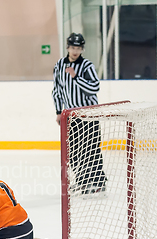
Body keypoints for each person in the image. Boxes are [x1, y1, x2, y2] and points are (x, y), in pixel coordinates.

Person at [52, 33, 107, 195]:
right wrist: (58, 111)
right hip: (71, 116)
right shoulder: (59, 65)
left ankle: (97, 182)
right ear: (67, 48)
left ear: (82, 49)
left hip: (89, 114)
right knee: (74, 150)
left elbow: (94, 87)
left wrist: (76, 78)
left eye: (78, 48)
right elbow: (57, 91)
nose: (75, 51)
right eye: (73, 47)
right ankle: (82, 181)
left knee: (91, 149)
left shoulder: (87, 66)